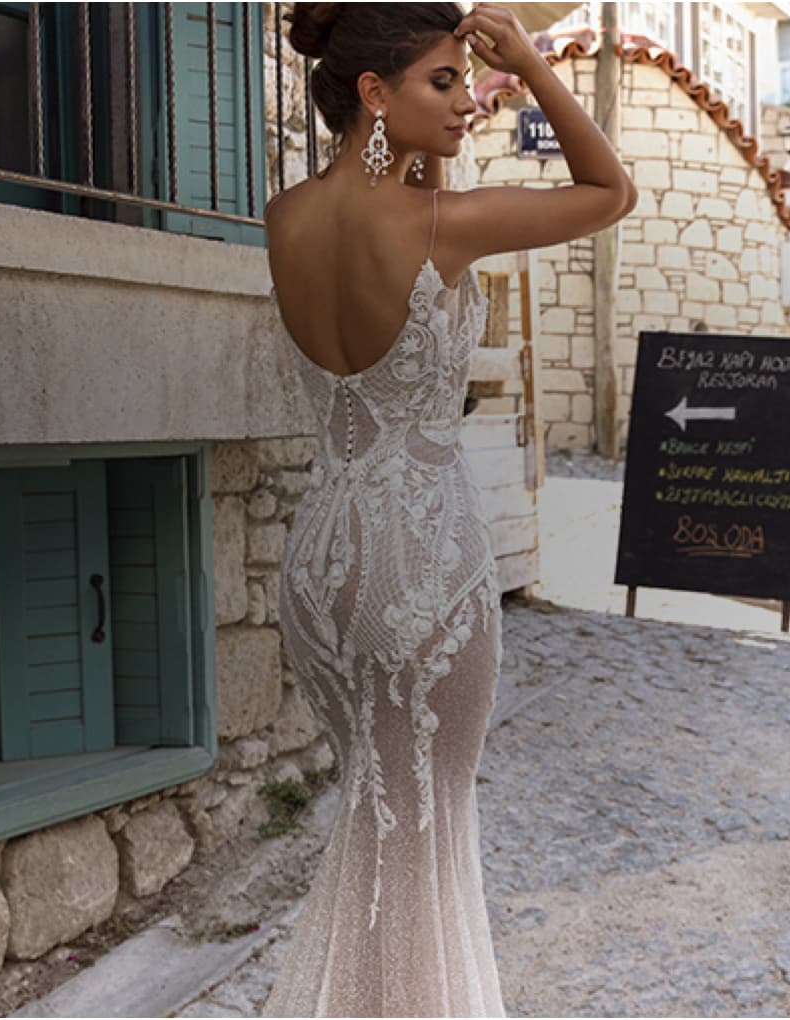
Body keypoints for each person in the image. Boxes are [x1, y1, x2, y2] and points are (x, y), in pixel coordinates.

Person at [259, 3, 633, 1014]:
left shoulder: (285, 214)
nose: (470, 99)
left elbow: (368, 197)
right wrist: (536, 66)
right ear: (375, 93)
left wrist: (417, 148)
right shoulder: (441, 226)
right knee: (425, 823)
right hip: (422, 559)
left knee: (375, 812)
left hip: (322, 561)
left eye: (472, 78)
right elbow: (610, 191)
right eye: (444, 81)